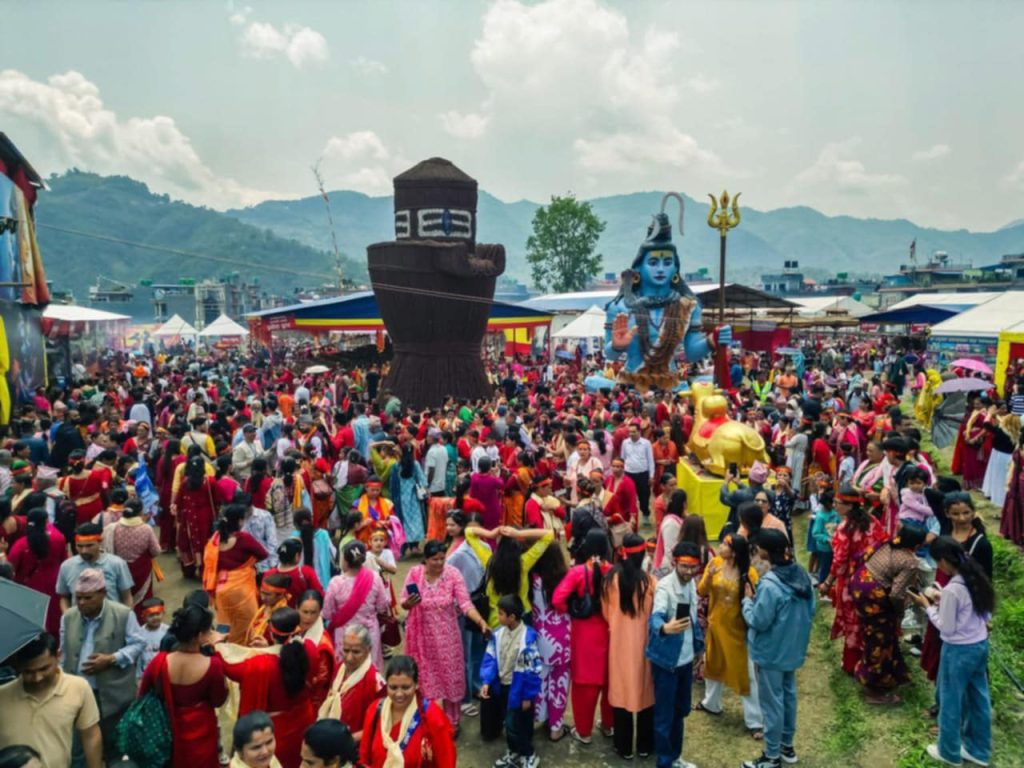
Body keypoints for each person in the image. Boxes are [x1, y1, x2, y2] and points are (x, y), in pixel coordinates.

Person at [909, 536, 994, 768]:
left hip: (957, 650)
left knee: (950, 699)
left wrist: (927, 606)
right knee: (978, 698)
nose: (938, 567)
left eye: (938, 562)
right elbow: (981, 613)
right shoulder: (974, 578)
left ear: (945, 561)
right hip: (979, 644)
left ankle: (948, 750)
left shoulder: (954, 589)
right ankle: (979, 749)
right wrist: (941, 597)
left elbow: (946, 627)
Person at [740, 529, 815, 768]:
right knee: (789, 696)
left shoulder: (770, 584)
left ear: (764, 552)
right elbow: (811, 611)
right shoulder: (802, 575)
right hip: (793, 649)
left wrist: (747, 602)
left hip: (771, 653)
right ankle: (787, 746)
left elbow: (759, 621)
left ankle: (771, 756)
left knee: (771, 703)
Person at [401, 539, 490, 730]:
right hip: (421, 636)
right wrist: (408, 604)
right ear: (426, 559)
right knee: (425, 677)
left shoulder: (452, 574)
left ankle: (452, 721)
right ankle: (426, 719)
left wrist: (480, 621)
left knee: (449, 677)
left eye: (442, 558)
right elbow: (403, 602)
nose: (440, 563)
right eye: (435, 559)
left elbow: (465, 604)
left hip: (447, 637)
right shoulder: (415, 574)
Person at [59, 568, 145, 762]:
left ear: (103, 594)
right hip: (78, 695)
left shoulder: (123, 614)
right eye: (78, 597)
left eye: (87, 598)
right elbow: (64, 653)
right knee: (79, 747)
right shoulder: (68, 617)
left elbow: (138, 643)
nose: (81, 603)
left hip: (112, 697)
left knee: (114, 745)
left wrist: (112, 658)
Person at [220, 608, 319, 768]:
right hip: (304, 719)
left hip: (276, 731)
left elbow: (230, 668)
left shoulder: (262, 665)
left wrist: (216, 647)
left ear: (272, 633)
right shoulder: (310, 649)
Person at [139, 602, 228, 768]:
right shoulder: (213, 665)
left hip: (168, 728)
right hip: (202, 730)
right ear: (200, 636)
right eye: (209, 630)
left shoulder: (159, 661)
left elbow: (142, 693)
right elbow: (218, 700)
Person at [847, 525, 926, 705]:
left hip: (859, 585)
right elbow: (897, 594)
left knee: (871, 635)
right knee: (880, 642)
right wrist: (898, 612)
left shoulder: (887, 543)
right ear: (918, 545)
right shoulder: (910, 561)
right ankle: (875, 690)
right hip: (874, 598)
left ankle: (879, 675)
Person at [0, 633, 102, 768]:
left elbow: (90, 736)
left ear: (58, 656)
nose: (37, 678)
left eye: (44, 669)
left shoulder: (78, 688)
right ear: (17, 665)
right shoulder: (3, 695)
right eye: (28, 672)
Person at [696, 533, 763, 737]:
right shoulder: (714, 563)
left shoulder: (749, 574)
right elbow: (701, 591)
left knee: (746, 674)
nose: (721, 546)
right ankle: (711, 703)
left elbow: (755, 600)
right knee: (712, 665)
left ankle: (754, 720)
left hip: (737, 630)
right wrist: (708, 576)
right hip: (716, 625)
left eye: (725, 544)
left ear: (734, 552)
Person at [646, 540, 705, 768]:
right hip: (667, 662)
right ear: (674, 563)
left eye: (693, 568)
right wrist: (664, 628)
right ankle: (664, 762)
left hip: (686, 660)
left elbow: (692, 619)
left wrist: (699, 648)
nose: (689, 572)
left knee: (680, 711)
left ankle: (676, 757)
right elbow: (656, 617)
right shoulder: (664, 587)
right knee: (664, 716)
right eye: (684, 567)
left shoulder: (691, 584)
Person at [552, 528, 614, 745]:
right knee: (610, 684)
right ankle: (608, 726)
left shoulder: (579, 572)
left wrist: (573, 610)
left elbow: (558, 600)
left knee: (584, 687)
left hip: (584, 636)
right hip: (611, 634)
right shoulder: (614, 571)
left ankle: (584, 732)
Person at [819, 487, 887, 676]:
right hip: (873, 576)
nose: (834, 506)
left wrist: (827, 582)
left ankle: (853, 663)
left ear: (848, 506)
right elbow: (883, 543)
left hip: (852, 581)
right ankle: (870, 659)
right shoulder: (872, 521)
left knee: (853, 621)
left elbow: (839, 561)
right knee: (868, 619)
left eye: (838, 503)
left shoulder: (844, 528)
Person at [602, 532, 656, 760]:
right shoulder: (650, 582)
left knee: (620, 691)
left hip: (619, 645)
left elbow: (606, 613)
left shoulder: (611, 580)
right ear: (643, 553)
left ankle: (623, 746)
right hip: (645, 644)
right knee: (646, 692)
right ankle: (645, 745)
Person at [359, 655, 457, 768]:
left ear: (416, 685)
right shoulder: (375, 710)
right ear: (386, 686)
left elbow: (446, 761)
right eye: (393, 687)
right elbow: (364, 757)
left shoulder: (432, 716)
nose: (399, 694)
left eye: (406, 687)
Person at [479, 594, 543, 768]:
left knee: (519, 724)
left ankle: (528, 754)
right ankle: (514, 751)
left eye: (500, 613)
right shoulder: (498, 634)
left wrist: (528, 696)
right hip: (503, 687)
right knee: (510, 723)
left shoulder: (527, 638)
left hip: (520, 690)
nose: (497, 617)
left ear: (512, 617)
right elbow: (491, 658)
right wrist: (486, 681)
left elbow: (532, 670)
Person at [465, 524, 554, 627]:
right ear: (517, 545)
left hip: (496, 618)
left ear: (500, 544)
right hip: (521, 617)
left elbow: (468, 532)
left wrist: (490, 533)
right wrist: (519, 533)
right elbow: (549, 534)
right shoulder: (524, 562)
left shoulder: (489, 561)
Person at [202, 504, 268, 644]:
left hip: (221, 589)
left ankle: (225, 651)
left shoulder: (214, 540)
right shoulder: (243, 538)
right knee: (248, 623)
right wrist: (247, 564)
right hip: (241, 589)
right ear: (239, 521)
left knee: (226, 623)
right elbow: (263, 554)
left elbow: (210, 565)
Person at [323, 540, 391, 670]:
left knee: (346, 671)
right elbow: (382, 606)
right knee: (369, 670)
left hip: (345, 636)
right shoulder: (375, 578)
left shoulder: (335, 583)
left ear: (345, 561)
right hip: (369, 633)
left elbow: (327, 613)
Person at [528, 542, 571, 742]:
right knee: (559, 684)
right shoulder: (565, 579)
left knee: (542, 681)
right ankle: (556, 727)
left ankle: (541, 717)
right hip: (562, 639)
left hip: (539, 637)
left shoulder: (531, 580)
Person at [319, 623, 385, 740]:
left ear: (368, 650)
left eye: (356, 652)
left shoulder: (375, 682)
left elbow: (381, 724)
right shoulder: (339, 668)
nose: (349, 657)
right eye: (346, 650)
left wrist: (351, 740)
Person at [8, 507, 66, 636]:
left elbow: (10, 569)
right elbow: (64, 562)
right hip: (54, 585)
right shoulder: (58, 538)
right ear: (46, 521)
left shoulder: (20, 545)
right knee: (53, 618)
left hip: (28, 589)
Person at [101, 497, 162, 616]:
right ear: (140, 512)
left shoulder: (113, 528)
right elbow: (156, 551)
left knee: (123, 597)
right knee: (143, 601)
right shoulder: (146, 529)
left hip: (120, 571)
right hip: (141, 572)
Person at [55, 522, 133, 611]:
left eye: (89, 545)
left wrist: (125, 619)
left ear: (100, 542)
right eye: (80, 546)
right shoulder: (67, 566)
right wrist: (67, 618)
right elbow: (64, 598)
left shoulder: (117, 564)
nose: (84, 551)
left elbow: (127, 597)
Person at [172, 455, 218, 578]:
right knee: (206, 543)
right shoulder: (210, 482)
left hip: (189, 518)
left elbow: (179, 502)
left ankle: (189, 571)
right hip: (206, 518)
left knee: (188, 542)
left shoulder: (185, 482)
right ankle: (204, 572)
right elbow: (217, 500)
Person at [265, 538, 324, 606]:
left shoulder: (269, 574)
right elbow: (319, 595)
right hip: (300, 614)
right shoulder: (306, 572)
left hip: (275, 615)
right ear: (297, 556)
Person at [291, 508, 336, 590]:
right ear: (311, 519)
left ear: (296, 524)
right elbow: (334, 554)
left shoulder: (294, 537)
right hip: (322, 583)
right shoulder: (323, 534)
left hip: (302, 582)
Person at [247, 573, 294, 646]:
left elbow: (284, 646)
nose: (263, 597)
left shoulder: (283, 616)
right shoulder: (265, 607)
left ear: (280, 595)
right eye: (262, 593)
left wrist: (266, 647)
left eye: (267, 594)